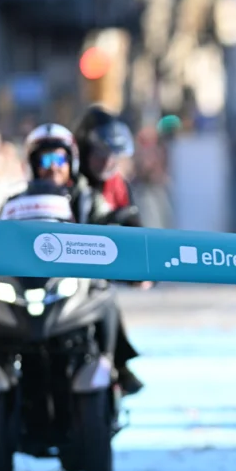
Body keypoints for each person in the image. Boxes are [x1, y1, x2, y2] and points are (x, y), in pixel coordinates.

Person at [72, 107, 146, 396]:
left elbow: (134, 226)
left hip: (97, 274)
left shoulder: (118, 184)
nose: (108, 162)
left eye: (114, 155)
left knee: (106, 300)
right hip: (57, 273)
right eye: (101, 154)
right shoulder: (64, 178)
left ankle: (115, 364)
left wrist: (144, 269)